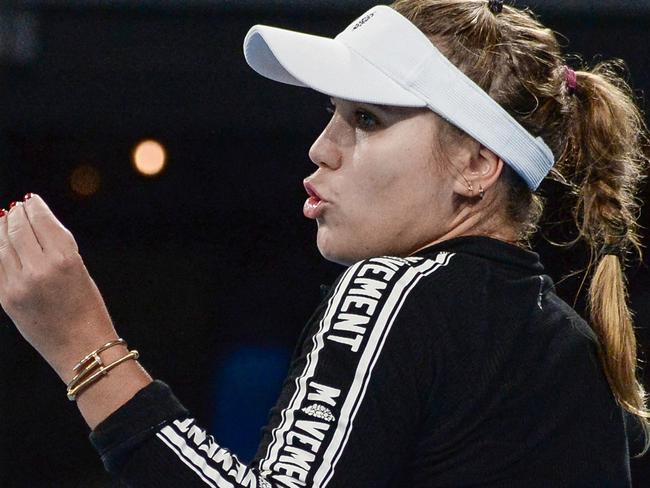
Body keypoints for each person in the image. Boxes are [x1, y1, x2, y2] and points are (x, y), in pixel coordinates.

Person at [1, 0, 649, 486]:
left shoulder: (396, 290)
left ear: (477, 165)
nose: (321, 149)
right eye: (332, 115)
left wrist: (84, 345)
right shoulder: (574, 348)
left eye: (366, 119)